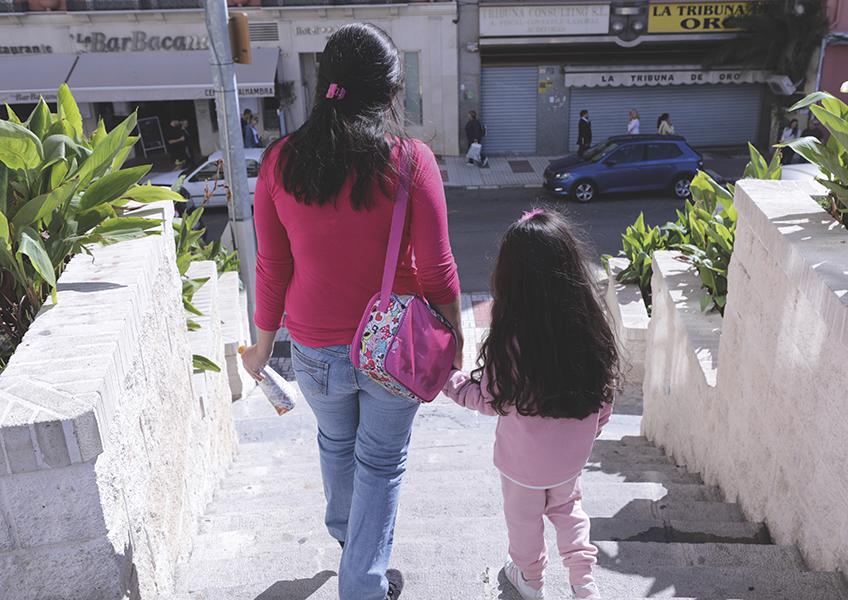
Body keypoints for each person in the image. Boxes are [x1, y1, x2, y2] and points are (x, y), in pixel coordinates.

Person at [240, 23, 463, 600]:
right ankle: (361, 583)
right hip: (394, 346)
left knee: (337, 445)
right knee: (381, 463)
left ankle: (348, 541)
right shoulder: (410, 161)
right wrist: (453, 343)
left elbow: (272, 267)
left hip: (313, 348)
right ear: (391, 93)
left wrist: (263, 348)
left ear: (325, 85)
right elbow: (438, 270)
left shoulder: (279, 162)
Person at [443, 208, 619, 600]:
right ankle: (584, 584)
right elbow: (604, 397)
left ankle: (531, 581)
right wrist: (589, 430)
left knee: (524, 523)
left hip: (522, 465)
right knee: (569, 511)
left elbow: (488, 400)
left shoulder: (510, 341)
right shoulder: (588, 328)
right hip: (570, 459)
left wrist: (449, 381)